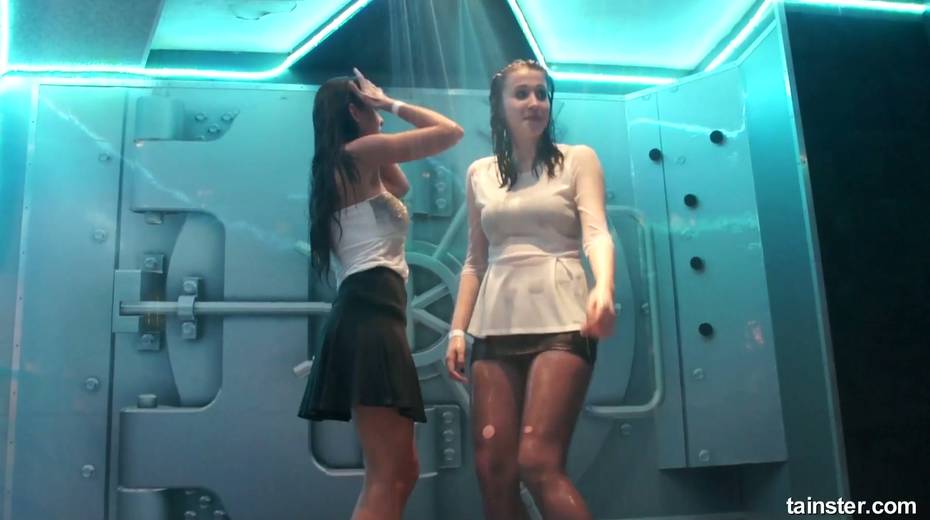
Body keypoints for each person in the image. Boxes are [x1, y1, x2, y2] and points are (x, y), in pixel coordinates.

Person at [445, 59, 616, 520]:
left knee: (538, 462)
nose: (534, 102)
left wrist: (603, 287)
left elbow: (596, 233)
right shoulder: (480, 173)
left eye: (541, 93)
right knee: (492, 469)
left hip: (562, 319)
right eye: (521, 93)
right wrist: (457, 331)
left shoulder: (577, 159)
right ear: (500, 106)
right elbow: (474, 261)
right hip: (494, 325)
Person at [299, 68, 463, 520]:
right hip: (368, 313)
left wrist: (369, 118)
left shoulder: (352, 160)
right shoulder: (357, 153)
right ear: (355, 112)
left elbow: (400, 187)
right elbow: (450, 132)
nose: (383, 119)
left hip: (375, 313)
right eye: (370, 108)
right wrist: (389, 102)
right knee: (389, 474)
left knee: (400, 471)